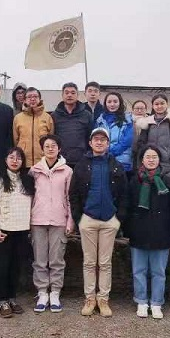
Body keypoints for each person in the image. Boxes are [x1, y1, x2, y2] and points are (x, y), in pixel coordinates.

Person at [69, 128, 128, 318]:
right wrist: (79, 219)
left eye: (103, 139)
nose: (100, 142)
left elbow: (124, 195)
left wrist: (118, 219)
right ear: (90, 143)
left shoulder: (116, 165)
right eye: (96, 139)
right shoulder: (81, 165)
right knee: (89, 262)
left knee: (105, 263)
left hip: (109, 220)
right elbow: (73, 194)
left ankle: (103, 299)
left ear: (108, 143)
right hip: (88, 219)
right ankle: (90, 299)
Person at [125, 145, 170, 319]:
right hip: (139, 230)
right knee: (138, 270)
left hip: (161, 231)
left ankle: (156, 302)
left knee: (159, 271)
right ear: (142, 160)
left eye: (154, 156)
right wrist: (128, 228)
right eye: (147, 156)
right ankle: (141, 301)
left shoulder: (167, 181)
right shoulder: (134, 181)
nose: (151, 159)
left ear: (159, 160)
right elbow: (127, 205)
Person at [0, 147, 35, 318]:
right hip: (4, 231)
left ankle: (12, 298)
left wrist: (30, 228)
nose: (15, 161)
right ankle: (2, 300)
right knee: (2, 267)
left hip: (22, 231)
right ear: (5, 160)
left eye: (19, 158)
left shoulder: (27, 181)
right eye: (11, 157)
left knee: (16, 267)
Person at [29, 135, 74, 313]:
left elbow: (69, 197)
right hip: (38, 219)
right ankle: (42, 292)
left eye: (53, 146)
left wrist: (70, 220)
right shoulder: (34, 171)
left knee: (57, 259)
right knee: (39, 259)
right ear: (42, 149)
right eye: (47, 146)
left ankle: (55, 292)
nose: (50, 149)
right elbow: (30, 196)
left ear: (59, 149)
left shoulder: (67, 171)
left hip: (59, 219)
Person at [136, 94, 170, 184]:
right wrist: (146, 156)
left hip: (168, 165)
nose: (159, 106)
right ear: (153, 106)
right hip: (150, 162)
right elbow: (141, 143)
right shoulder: (147, 122)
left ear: (166, 104)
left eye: (162, 103)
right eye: (156, 104)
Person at [51, 82, 93, 169]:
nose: (69, 95)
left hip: (82, 160)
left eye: (73, 93)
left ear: (77, 95)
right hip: (60, 161)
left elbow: (90, 137)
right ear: (62, 95)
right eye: (66, 93)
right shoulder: (54, 116)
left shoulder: (87, 115)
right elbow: (52, 138)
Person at [13, 87, 54, 168]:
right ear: (24, 100)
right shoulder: (18, 118)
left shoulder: (47, 117)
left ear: (40, 99)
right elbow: (16, 140)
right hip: (24, 162)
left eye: (35, 96)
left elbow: (51, 139)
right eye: (29, 97)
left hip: (43, 162)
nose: (32, 99)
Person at [95, 92, 134, 176]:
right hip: (104, 161)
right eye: (109, 102)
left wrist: (111, 152)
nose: (112, 104)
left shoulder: (127, 119)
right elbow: (96, 139)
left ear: (120, 103)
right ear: (105, 104)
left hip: (122, 162)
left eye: (115, 101)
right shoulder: (100, 120)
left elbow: (127, 141)